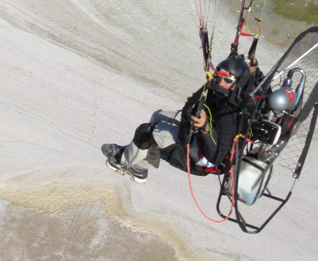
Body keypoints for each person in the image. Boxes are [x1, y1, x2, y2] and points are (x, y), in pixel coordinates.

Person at [101, 55, 256, 184]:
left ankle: (123, 162)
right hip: (198, 135)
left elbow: (215, 158)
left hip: (200, 158)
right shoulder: (224, 93)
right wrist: (253, 69)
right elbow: (249, 80)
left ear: (236, 85)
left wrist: (205, 129)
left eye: (227, 80)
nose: (220, 82)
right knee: (157, 116)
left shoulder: (228, 115)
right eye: (219, 76)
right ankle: (140, 168)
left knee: (145, 131)